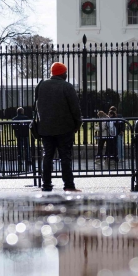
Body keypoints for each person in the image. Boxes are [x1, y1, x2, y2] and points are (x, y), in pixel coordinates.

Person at [34, 61, 82, 192]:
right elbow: (75, 108)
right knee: (65, 157)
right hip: (64, 128)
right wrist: (77, 123)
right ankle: (68, 185)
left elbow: (37, 106)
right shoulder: (67, 86)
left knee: (47, 156)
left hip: (45, 128)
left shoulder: (41, 85)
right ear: (62, 74)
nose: (66, 75)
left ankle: (46, 185)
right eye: (65, 72)